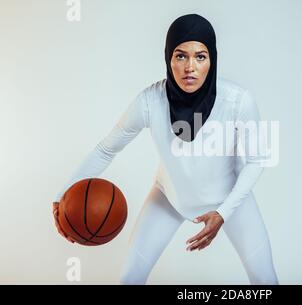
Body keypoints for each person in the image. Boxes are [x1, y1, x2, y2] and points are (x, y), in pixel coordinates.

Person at [52, 13, 279, 285]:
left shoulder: (238, 101)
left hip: (230, 201)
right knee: (129, 280)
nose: (190, 67)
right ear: (168, 58)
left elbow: (257, 160)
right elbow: (106, 149)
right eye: (181, 56)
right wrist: (61, 196)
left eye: (201, 56)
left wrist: (223, 213)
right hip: (169, 199)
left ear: (212, 59)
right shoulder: (150, 101)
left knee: (266, 282)